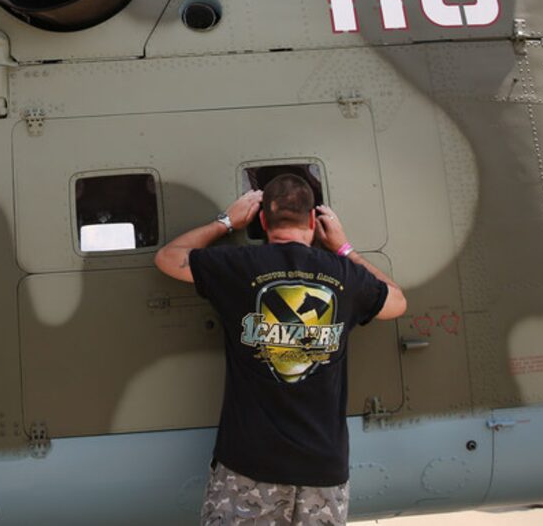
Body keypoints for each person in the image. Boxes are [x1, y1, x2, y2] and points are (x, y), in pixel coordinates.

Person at [154, 175, 407, 525]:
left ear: (260, 220)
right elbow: (396, 301)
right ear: (312, 222)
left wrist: (226, 222)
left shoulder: (238, 267)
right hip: (323, 471)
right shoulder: (346, 276)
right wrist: (345, 249)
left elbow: (168, 258)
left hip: (249, 466)